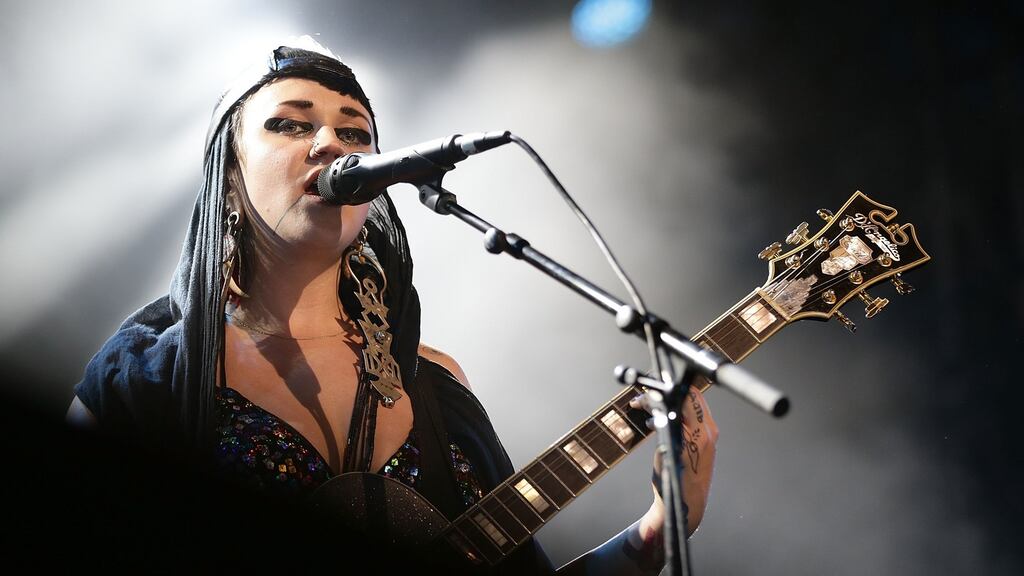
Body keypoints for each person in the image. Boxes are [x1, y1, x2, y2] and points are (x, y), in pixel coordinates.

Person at [67, 37, 717, 575]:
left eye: (355, 133)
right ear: (228, 173)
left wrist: (658, 532)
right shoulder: (144, 383)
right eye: (291, 123)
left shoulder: (437, 388)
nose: (332, 144)